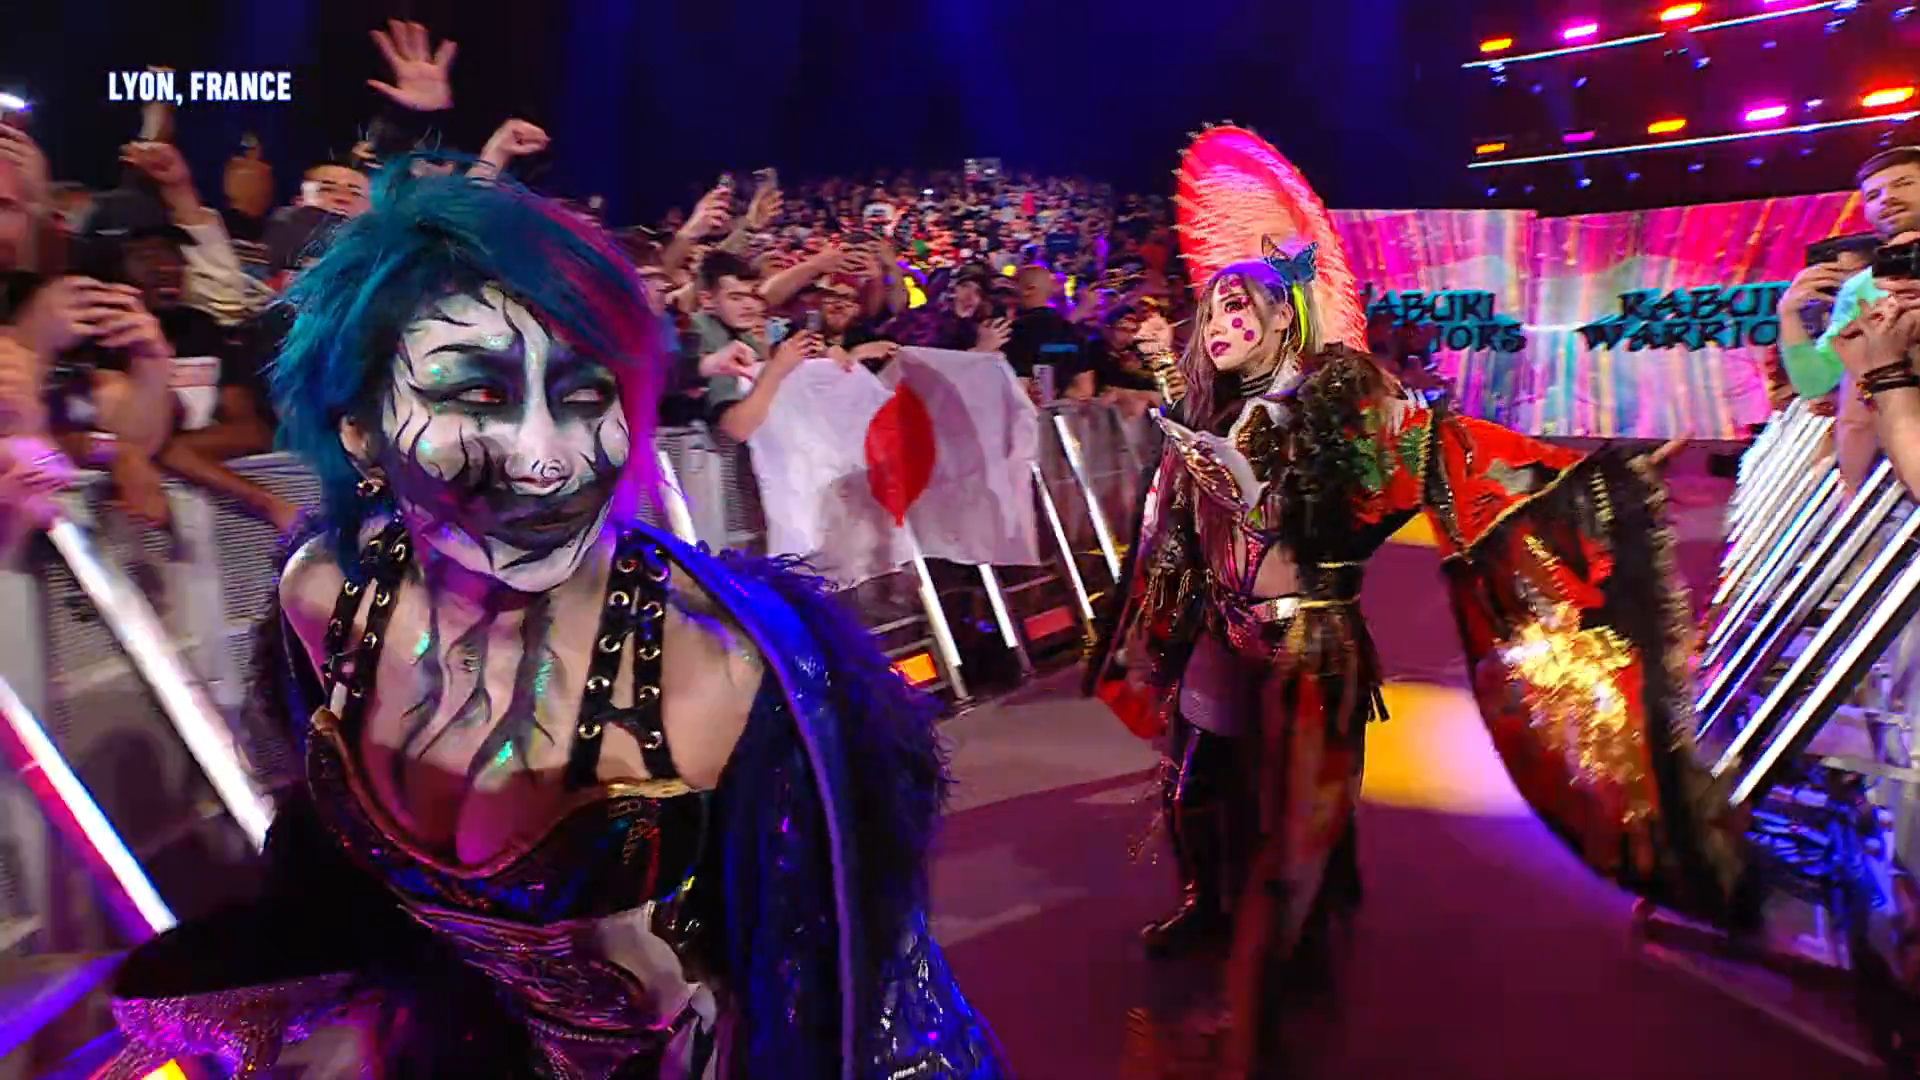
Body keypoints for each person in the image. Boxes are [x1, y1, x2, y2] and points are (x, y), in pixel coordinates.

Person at [94, 162, 1006, 1080]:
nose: (545, 462)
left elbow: (854, 996)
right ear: (360, 430)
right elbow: (334, 858)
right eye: (476, 397)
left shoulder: (717, 671)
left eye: (583, 397)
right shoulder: (327, 597)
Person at [1095, 239, 1753, 1075]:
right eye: (1210, 311)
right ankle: (1215, 915)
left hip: (1308, 647)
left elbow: (1460, 454)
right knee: (1197, 792)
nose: (1217, 325)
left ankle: (1253, 1020)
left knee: (1289, 842)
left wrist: (1588, 479)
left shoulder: (1344, 407)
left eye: (1238, 308)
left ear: (1283, 320)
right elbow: (1180, 527)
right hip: (1220, 642)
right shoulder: (1213, 408)